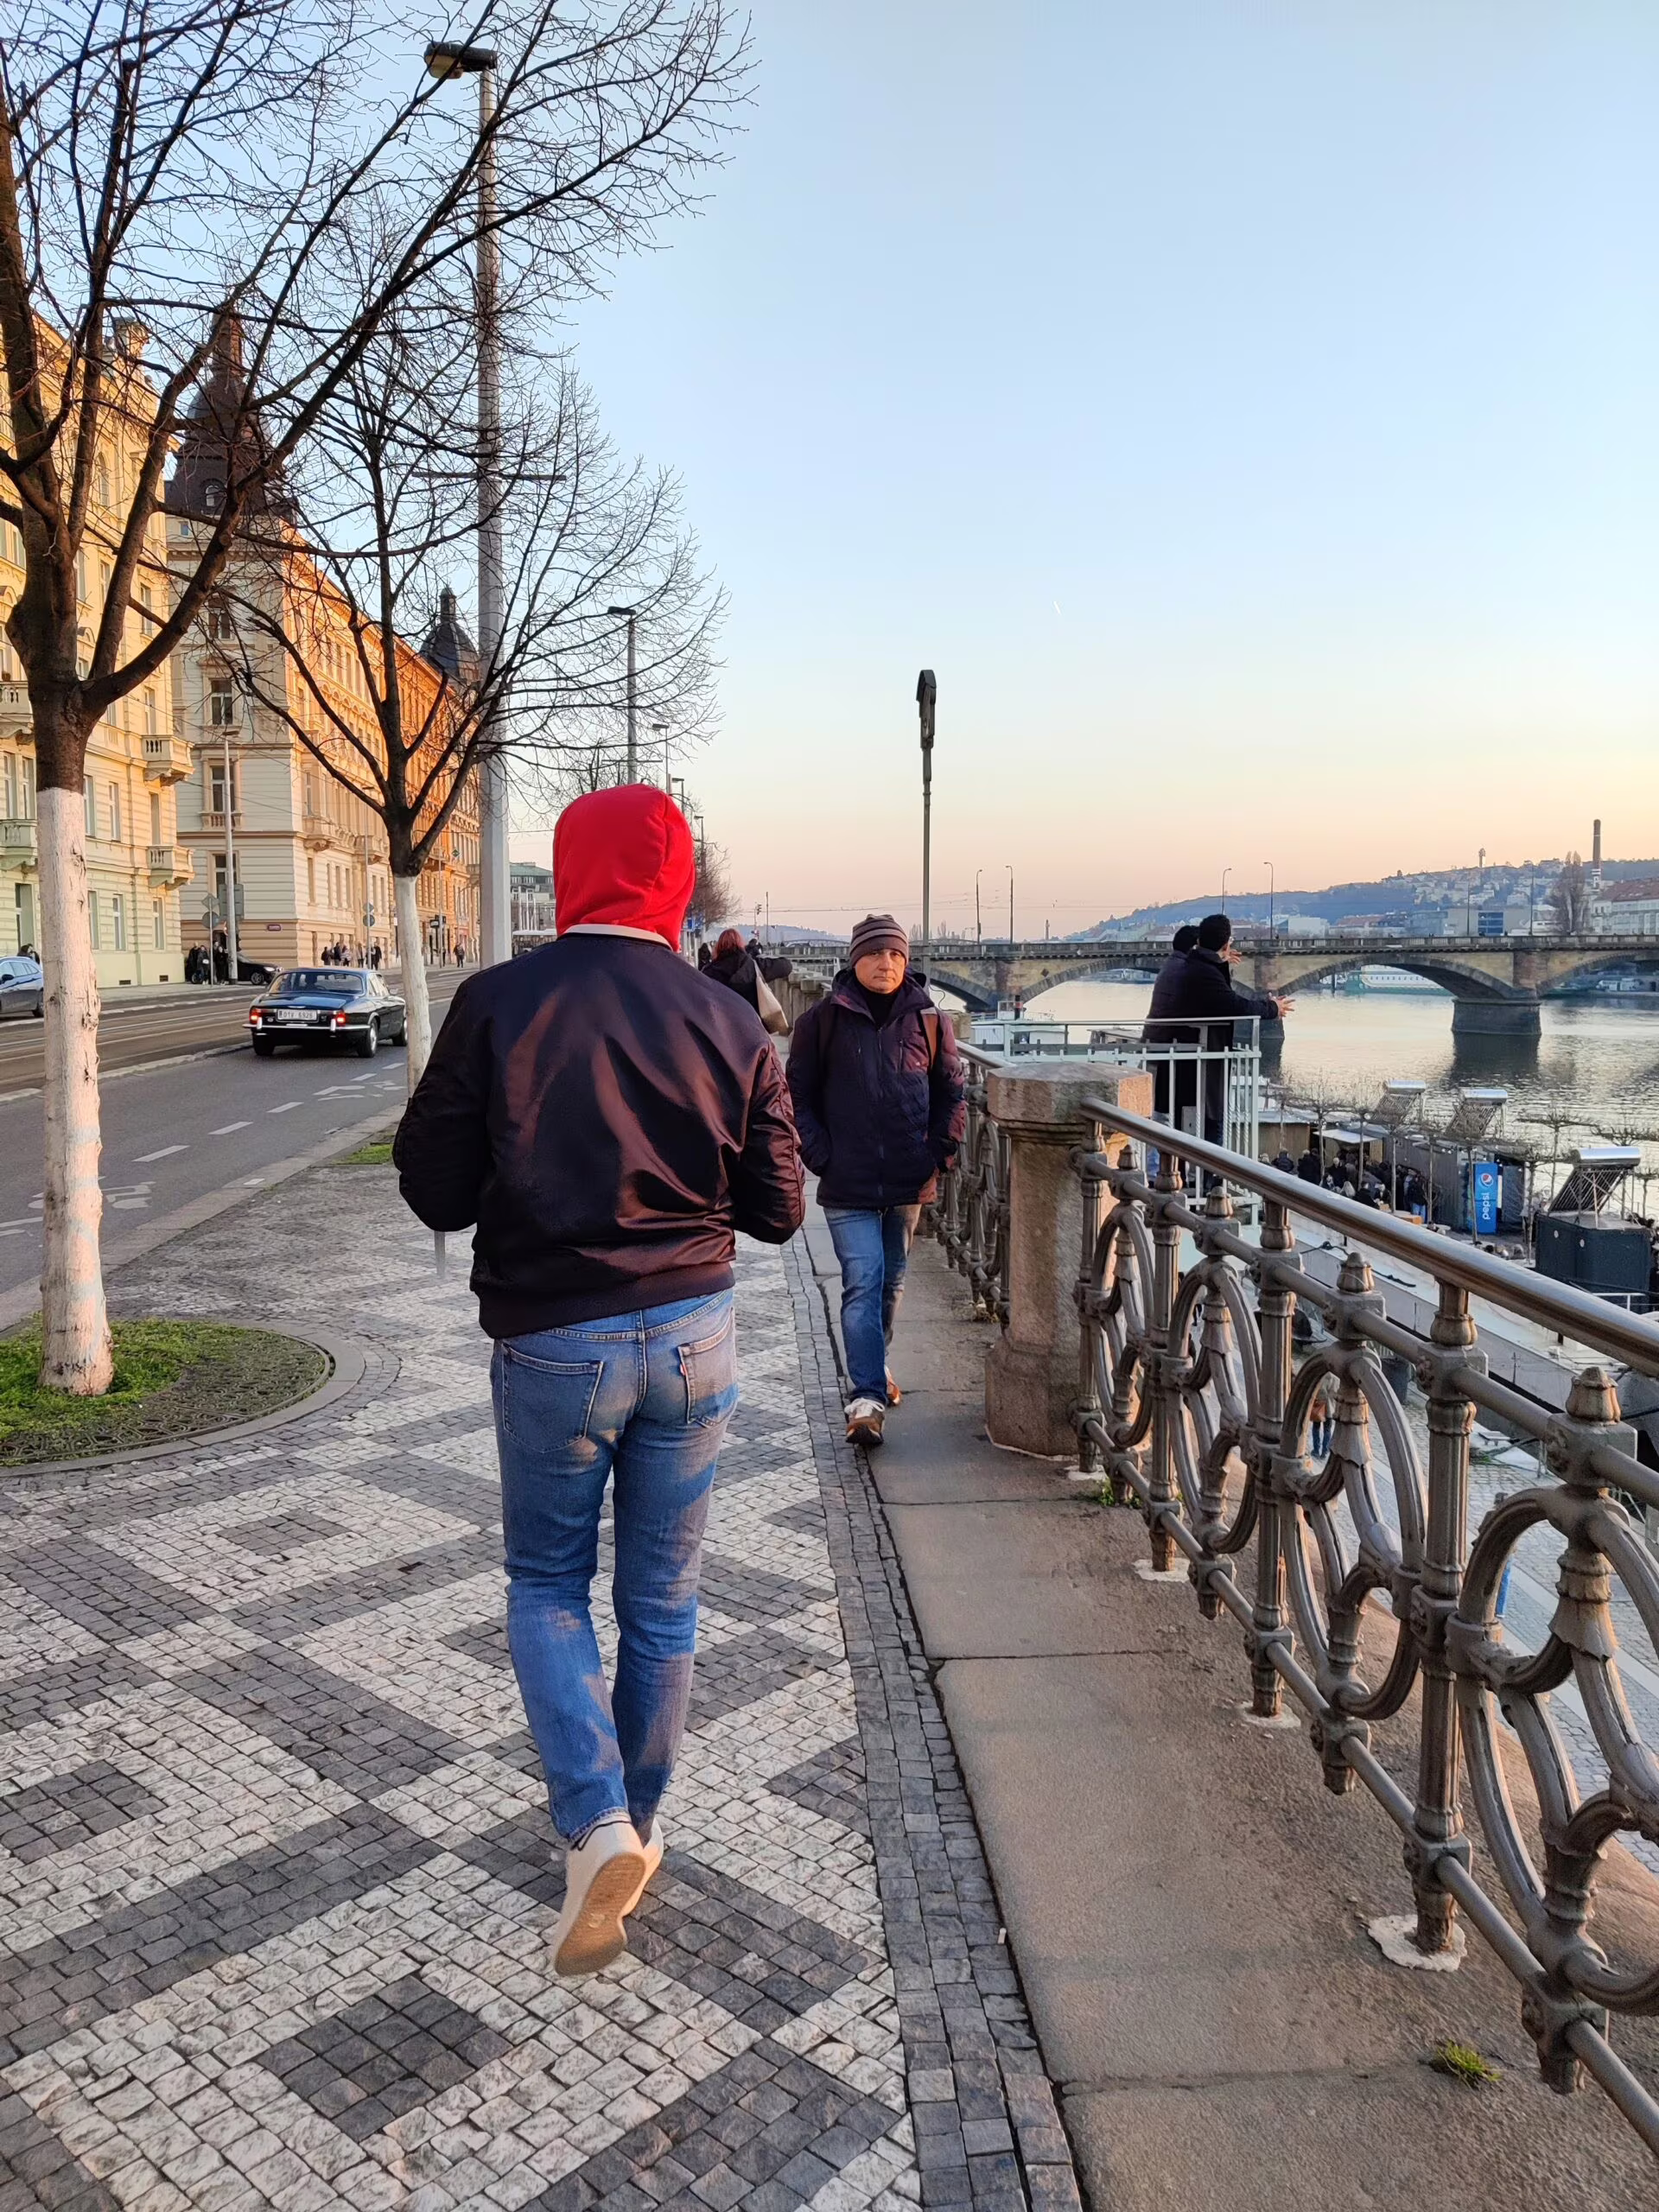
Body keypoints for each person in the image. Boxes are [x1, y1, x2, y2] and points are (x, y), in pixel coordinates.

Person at [394, 785, 804, 1979]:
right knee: (664, 1600)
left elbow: (432, 1186)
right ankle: (639, 1820)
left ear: (569, 871)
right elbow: (781, 1209)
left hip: (555, 1339)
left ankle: (596, 1821)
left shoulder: (497, 1002)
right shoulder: (730, 1018)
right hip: (694, 1335)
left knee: (546, 1583)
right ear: (675, 886)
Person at [787, 914, 965, 1447]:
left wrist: (937, 1154)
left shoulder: (931, 1021)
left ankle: (874, 1360)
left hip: (909, 1179)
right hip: (849, 1181)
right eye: (873, 953)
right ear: (854, 960)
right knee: (863, 1281)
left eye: (895, 954)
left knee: (892, 1283)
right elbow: (797, 1096)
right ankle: (865, 1398)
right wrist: (822, 1155)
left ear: (906, 961)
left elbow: (952, 1093)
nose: (885, 963)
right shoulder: (821, 1021)